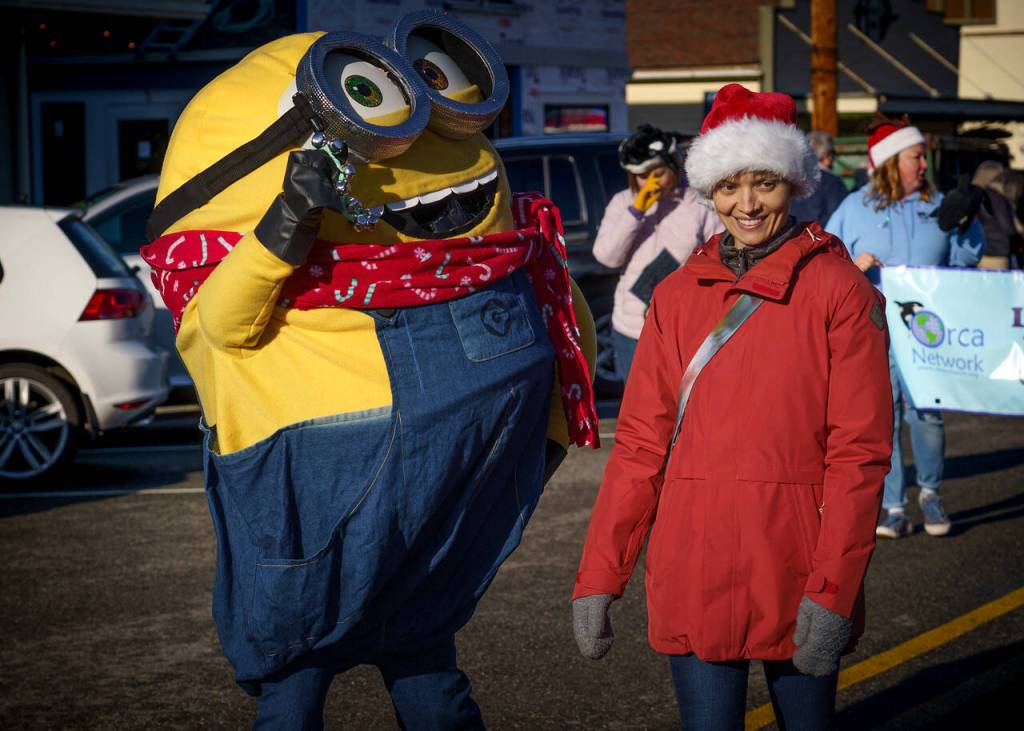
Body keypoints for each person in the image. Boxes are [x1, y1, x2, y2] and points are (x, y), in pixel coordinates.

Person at [141, 16, 599, 728]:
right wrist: (285, 222)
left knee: (379, 665)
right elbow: (219, 326)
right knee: (333, 667)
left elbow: (559, 332)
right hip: (324, 508)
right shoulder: (262, 258)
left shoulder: (501, 252)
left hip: (394, 513)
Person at [571, 83, 893, 729]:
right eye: (728, 186)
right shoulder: (677, 295)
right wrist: (600, 573)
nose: (745, 204)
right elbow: (639, 443)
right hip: (694, 566)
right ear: (709, 189)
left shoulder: (840, 290)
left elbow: (859, 455)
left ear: (793, 183)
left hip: (798, 568)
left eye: (764, 183)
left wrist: (833, 591)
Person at [826, 114, 984, 539]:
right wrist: (852, 267)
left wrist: (968, 225)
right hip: (872, 334)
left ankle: (930, 494)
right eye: (916, 156)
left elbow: (965, 261)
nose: (923, 165)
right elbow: (824, 267)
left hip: (926, 336)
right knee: (883, 419)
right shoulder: (854, 208)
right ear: (893, 160)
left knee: (927, 414)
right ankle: (894, 506)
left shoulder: (937, 206)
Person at [593, 124, 722, 380]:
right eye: (643, 176)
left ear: (674, 165)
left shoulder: (699, 204)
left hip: (683, 326)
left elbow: (719, 259)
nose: (651, 181)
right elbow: (606, 257)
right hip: (631, 328)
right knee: (637, 408)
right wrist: (636, 212)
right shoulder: (622, 202)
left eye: (658, 172)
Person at [789, 129, 849, 225]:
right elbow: (843, 218)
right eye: (833, 153)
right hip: (822, 237)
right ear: (827, 156)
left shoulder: (791, 179)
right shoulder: (833, 183)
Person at [971, 160, 1022, 270]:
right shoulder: (997, 198)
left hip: (979, 252)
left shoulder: (976, 196)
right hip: (997, 253)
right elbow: (1008, 228)